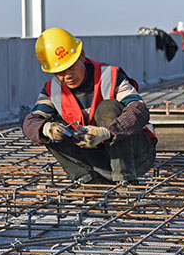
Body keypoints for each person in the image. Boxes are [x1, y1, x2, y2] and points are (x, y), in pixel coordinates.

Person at [21, 28, 157, 185]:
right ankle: (88, 179)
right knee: (50, 126)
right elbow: (30, 122)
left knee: (108, 107)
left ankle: (125, 181)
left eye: (71, 67)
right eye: (60, 72)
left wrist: (107, 132)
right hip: (98, 162)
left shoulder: (110, 76)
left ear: (82, 56)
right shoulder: (53, 90)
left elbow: (139, 110)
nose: (67, 76)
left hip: (136, 157)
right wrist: (47, 129)